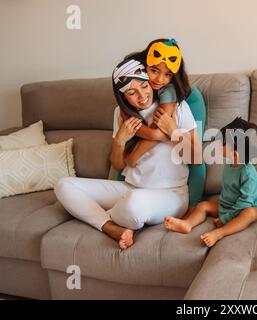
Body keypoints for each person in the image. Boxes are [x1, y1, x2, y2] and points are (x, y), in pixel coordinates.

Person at [54, 58, 200, 249]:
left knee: (133, 204)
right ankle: (110, 227)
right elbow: (119, 165)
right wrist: (120, 140)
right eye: (132, 92)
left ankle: (97, 215)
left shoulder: (178, 107)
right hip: (130, 186)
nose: (142, 96)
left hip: (171, 194)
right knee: (64, 185)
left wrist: (173, 131)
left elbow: (196, 159)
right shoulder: (120, 114)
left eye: (144, 86)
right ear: (123, 98)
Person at [121, 38, 207, 211]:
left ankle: (194, 204)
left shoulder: (170, 91)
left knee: (193, 148)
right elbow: (125, 114)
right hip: (139, 179)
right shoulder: (134, 83)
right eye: (154, 70)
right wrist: (154, 136)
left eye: (167, 74)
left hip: (189, 99)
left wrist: (168, 131)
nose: (159, 79)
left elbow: (160, 125)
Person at [164, 117, 257, 247]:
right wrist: (223, 207)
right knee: (203, 206)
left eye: (222, 144)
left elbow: (245, 202)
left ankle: (220, 233)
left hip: (244, 207)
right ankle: (187, 224)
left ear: (235, 154)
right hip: (227, 204)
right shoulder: (230, 164)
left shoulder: (248, 175)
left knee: (249, 213)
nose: (219, 145)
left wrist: (225, 219)